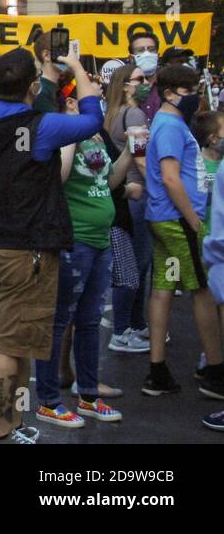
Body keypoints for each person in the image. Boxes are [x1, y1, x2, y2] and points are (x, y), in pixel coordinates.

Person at [0, 45, 103, 443]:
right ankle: (3, 428)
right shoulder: (40, 127)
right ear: (32, 85)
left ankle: (16, 422)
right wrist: (75, 63)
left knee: (12, 343)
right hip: (26, 254)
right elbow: (93, 118)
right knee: (8, 346)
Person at [33, 98, 133, 429]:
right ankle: (48, 401)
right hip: (74, 240)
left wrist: (131, 152)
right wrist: (70, 137)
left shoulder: (96, 135)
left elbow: (109, 182)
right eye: (75, 97)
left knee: (89, 322)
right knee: (59, 321)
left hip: (101, 239)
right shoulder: (61, 135)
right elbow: (59, 178)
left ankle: (88, 395)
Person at [143, 63, 224, 399]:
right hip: (176, 218)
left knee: (163, 287)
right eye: (189, 92)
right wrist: (192, 219)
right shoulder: (171, 127)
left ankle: (157, 370)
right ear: (170, 93)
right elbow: (171, 176)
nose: (195, 97)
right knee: (203, 290)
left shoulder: (168, 123)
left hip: (166, 217)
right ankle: (216, 372)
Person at [105, 63, 153, 354]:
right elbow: (141, 157)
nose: (146, 83)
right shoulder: (134, 113)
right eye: (140, 79)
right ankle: (123, 329)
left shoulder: (113, 112)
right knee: (136, 267)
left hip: (124, 196)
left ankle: (134, 324)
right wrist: (159, 190)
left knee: (133, 266)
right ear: (125, 85)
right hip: (137, 194)